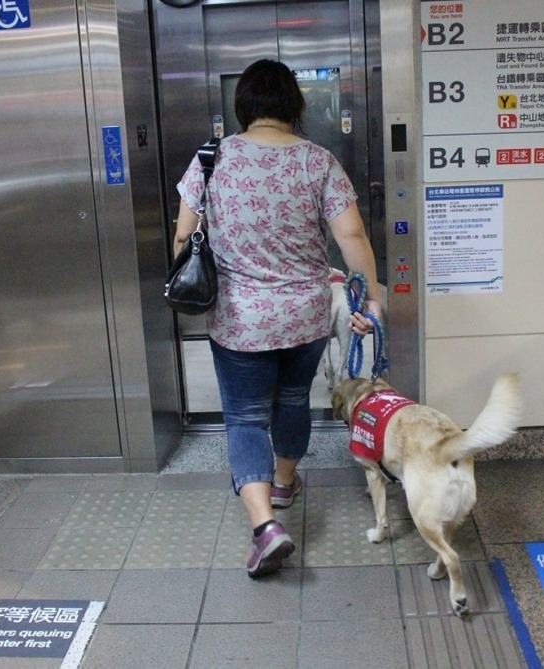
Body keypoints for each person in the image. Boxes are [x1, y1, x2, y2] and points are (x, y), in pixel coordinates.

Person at [173, 59, 384, 578]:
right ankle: (285, 481)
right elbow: (352, 238)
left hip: (238, 318)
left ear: (243, 104)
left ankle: (265, 524)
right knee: (292, 400)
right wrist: (371, 302)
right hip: (304, 315)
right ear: (295, 106)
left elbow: (183, 240)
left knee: (245, 416)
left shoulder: (209, 160)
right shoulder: (319, 162)